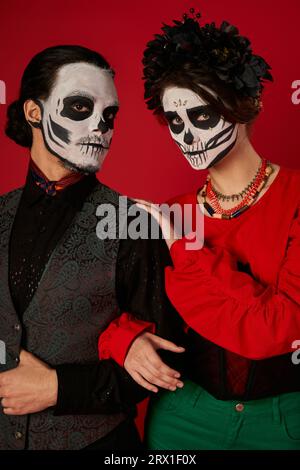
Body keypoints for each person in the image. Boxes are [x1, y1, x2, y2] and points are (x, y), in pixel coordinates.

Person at [98, 11, 300, 450]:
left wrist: (187, 249)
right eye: (176, 122)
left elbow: (281, 326)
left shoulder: (294, 199)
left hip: (285, 420)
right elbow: (115, 312)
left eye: (203, 115)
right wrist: (124, 339)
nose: (188, 136)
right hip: (184, 417)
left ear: (247, 106)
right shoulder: (170, 216)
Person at [0, 45, 185, 450]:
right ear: (34, 112)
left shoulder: (134, 222)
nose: (101, 126)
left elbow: (168, 361)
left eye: (110, 115)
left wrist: (59, 388)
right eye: (81, 107)